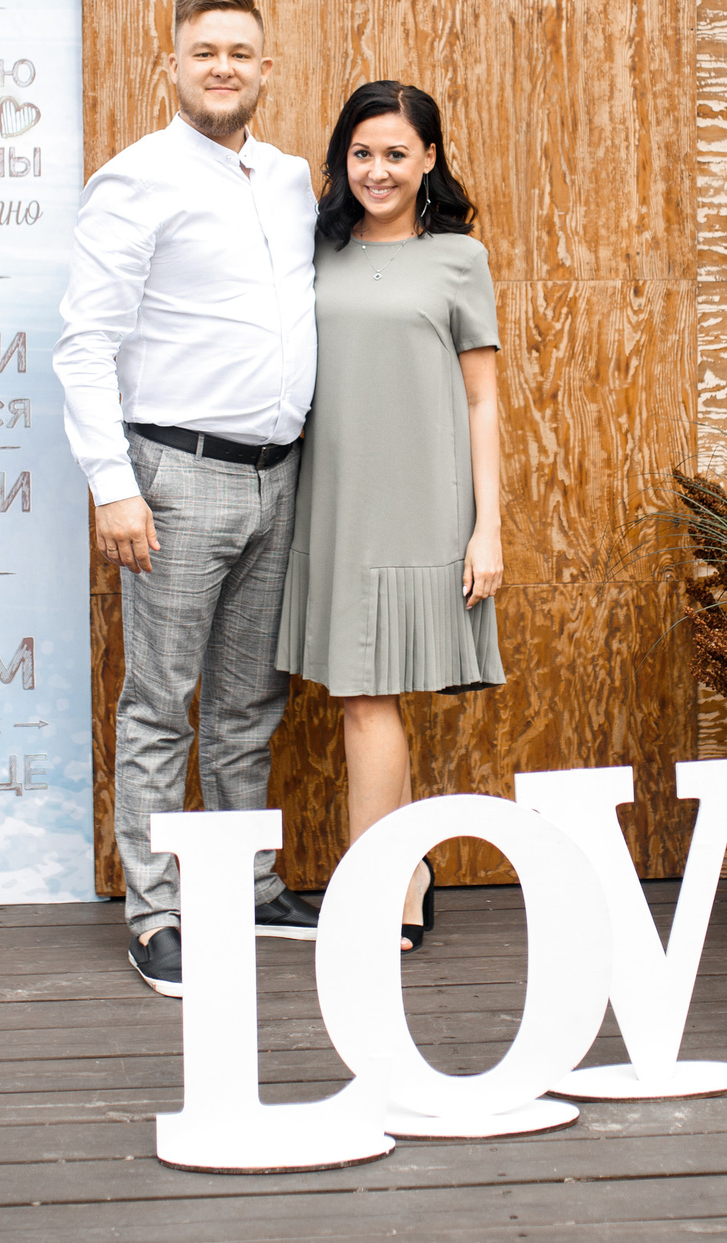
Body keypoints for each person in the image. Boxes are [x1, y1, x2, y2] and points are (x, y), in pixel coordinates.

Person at [55, 0, 325, 1000]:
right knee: (163, 704)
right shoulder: (134, 181)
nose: (222, 66)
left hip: (280, 478)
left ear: (266, 69)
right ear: (170, 66)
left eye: (239, 52)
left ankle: (252, 888)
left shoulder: (294, 180)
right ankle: (158, 915)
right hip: (174, 478)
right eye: (203, 51)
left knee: (252, 700)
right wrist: (112, 488)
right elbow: (85, 347)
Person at [277, 81, 503, 953]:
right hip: (329, 500)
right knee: (358, 697)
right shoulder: (312, 249)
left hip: (420, 502)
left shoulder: (460, 259)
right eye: (361, 152)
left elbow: (483, 400)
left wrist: (488, 527)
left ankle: (381, 879)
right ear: (341, 159)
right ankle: (403, 870)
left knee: (370, 696)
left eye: (396, 153)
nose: (377, 169)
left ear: (430, 160)